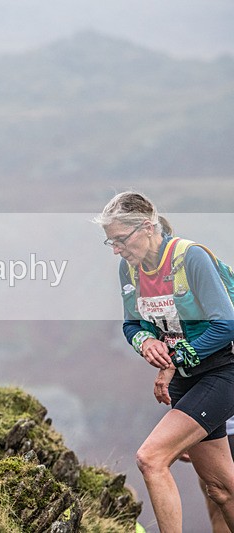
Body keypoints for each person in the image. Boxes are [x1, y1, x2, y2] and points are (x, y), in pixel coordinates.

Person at [96, 191, 234, 531]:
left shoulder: (191, 257)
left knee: (151, 458)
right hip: (188, 376)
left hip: (223, 369)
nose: (116, 249)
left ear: (146, 227)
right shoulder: (128, 269)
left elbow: (226, 324)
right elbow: (131, 324)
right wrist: (145, 342)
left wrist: (174, 357)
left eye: (120, 240)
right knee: (220, 490)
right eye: (110, 243)